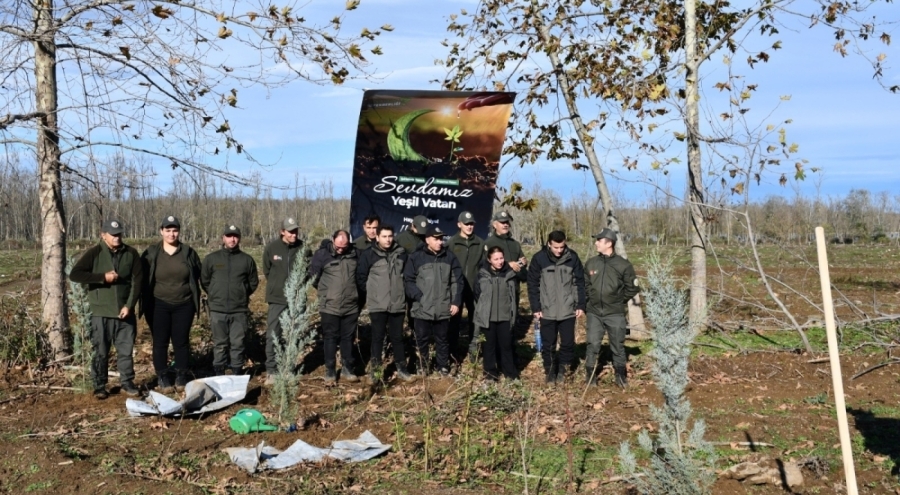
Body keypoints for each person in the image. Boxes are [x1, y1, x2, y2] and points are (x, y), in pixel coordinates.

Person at [69, 219, 143, 399]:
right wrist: (102, 277)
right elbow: (75, 274)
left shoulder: (131, 253)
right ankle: (100, 385)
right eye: (113, 234)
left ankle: (127, 382)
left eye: (119, 234)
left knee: (126, 351)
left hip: (124, 313)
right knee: (100, 351)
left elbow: (137, 281)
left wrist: (129, 305)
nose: (117, 237)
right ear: (103, 235)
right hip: (100, 313)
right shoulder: (94, 253)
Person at [140, 215, 202, 392]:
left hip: (184, 304)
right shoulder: (151, 253)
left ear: (179, 232)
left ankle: (181, 375)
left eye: (175, 230)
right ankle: (163, 376)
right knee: (160, 342)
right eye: (167, 230)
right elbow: (139, 276)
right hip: (158, 304)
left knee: (181, 341)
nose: (171, 234)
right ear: (161, 231)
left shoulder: (188, 253)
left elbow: (199, 274)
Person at [356, 225, 414, 382]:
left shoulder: (402, 254)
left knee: (397, 338)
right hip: (377, 304)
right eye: (384, 236)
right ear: (377, 237)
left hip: (397, 303)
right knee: (377, 338)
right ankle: (375, 373)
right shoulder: (369, 254)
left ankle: (402, 369)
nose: (388, 240)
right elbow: (361, 277)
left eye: (390, 236)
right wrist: (372, 293)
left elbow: (408, 276)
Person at [527, 230, 586, 384]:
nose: (559, 251)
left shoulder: (572, 257)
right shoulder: (539, 259)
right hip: (547, 310)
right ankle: (550, 372)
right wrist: (536, 307)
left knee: (567, 343)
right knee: (548, 344)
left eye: (562, 247)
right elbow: (533, 285)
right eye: (556, 247)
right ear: (549, 244)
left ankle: (563, 372)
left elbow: (579, 282)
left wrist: (580, 304)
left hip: (568, 309)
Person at [583, 228, 640, 388]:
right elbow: (585, 284)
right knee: (592, 344)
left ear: (609, 243)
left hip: (615, 313)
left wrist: (618, 301)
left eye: (599, 241)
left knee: (617, 346)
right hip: (594, 313)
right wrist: (590, 301)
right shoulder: (591, 263)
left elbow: (632, 287)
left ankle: (620, 377)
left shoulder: (623, 265)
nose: (596, 243)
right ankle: (590, 377)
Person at [404, 226, 463, 376]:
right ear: (427, 239)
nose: (439, 242)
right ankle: (423, 366)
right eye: (436, 239)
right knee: (422, 339)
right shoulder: (416, 257)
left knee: (442, 339)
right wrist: (419, 297)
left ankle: (442, 366)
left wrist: (455, 302)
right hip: (422, 308)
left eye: (441, 239)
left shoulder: (449, 257)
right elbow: (408, 280)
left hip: (443, 307)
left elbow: (457, 281)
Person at [201, 225, 259, 376]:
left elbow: (253, 282)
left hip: (239, 310)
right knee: (220, 344)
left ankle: (236, 372)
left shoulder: (247, 260)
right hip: (217, 309)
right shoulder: (212, 259)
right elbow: (205, 280)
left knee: (237, 344)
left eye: (235, 236)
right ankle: (219, 372)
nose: (232, 239)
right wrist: (214, 294)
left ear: (239, 238)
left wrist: (241, 293)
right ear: (223, 238)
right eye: (229, 236)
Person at [310, 230, 360, 383]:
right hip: (329, 305)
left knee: (348, 338)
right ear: (332, 240)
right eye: (338, 246)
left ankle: (347, 368)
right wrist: (327, 293)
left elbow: (361, 276)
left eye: (344, 246)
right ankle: (330, 370)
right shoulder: (322, 255)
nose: (340, 249)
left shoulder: (355, 253)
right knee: (330, 338)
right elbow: (313, 277)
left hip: (350, 305)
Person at [261, 217, 304, 385]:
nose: (294, 234)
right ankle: (272, 371)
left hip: (297, 299)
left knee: (293, 336)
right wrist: (277, 286)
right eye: (290, 231)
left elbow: (307, 270)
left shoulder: (303, 248)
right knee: (274, 334)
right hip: (277, 298)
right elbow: (267, 270)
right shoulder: (272, 248)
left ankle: (288, 368)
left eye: (295, 231)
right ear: (282, 231)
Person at [473, 246, 519, 381]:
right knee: (489, 348)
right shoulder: (482, 275)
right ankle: (490, 375)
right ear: (489, 260)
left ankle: (510, 374)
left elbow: (514, 295)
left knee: (506, 346)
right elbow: (477, 294)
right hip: (488, 318)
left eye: (501, 258)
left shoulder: (510, 274)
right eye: (496, 259)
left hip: (505, 316)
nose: (499, 261)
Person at [448, 211, 484, 361]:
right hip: (456, 288)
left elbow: (484, 266)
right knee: (453, 321)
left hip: (475, 288)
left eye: (471, 224)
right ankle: (452, 352)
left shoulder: (480, 243)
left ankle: (473, 350)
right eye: (466, 224)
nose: (469, 226)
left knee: (475, 320)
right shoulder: (452, 243)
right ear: (459, 224)